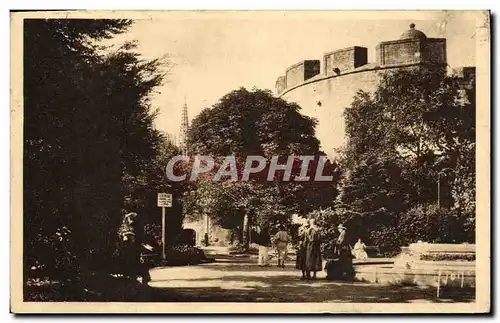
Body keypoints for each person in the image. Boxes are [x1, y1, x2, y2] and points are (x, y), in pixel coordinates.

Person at [117, 212, 151, 284]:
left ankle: (141, 277)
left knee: (137, 262)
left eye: (132, 219)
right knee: (133, 262)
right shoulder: (126, 227)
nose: (131, 221)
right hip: (129, 248)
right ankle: (138, 277)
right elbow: (122, 234)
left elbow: (141, 239)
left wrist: (145, 245)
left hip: (135, 248)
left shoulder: (138, 228)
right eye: (130, 219)